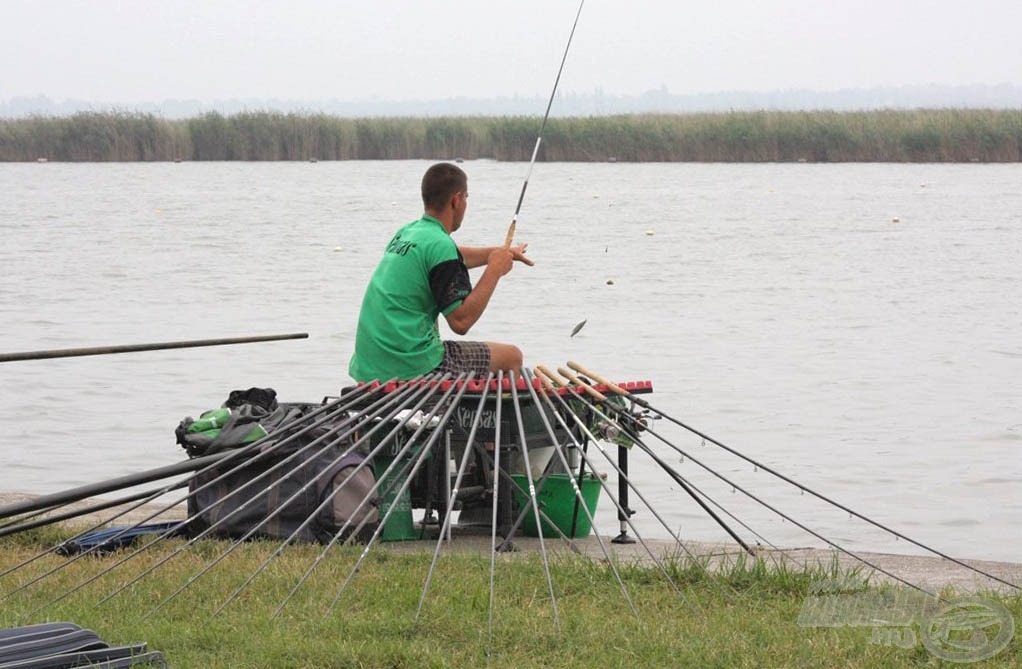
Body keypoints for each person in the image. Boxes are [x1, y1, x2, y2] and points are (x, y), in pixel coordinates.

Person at [348, 162, 533, 382]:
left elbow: (451, 257)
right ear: (456, 200)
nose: (465, 204)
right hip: (411, 365)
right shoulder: (441, 246)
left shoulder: (409, 232)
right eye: (466, 197)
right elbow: (461, 322)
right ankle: (489, 416)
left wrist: (499, 253)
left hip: (369, 366)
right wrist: (494, 269)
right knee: (512, 357)